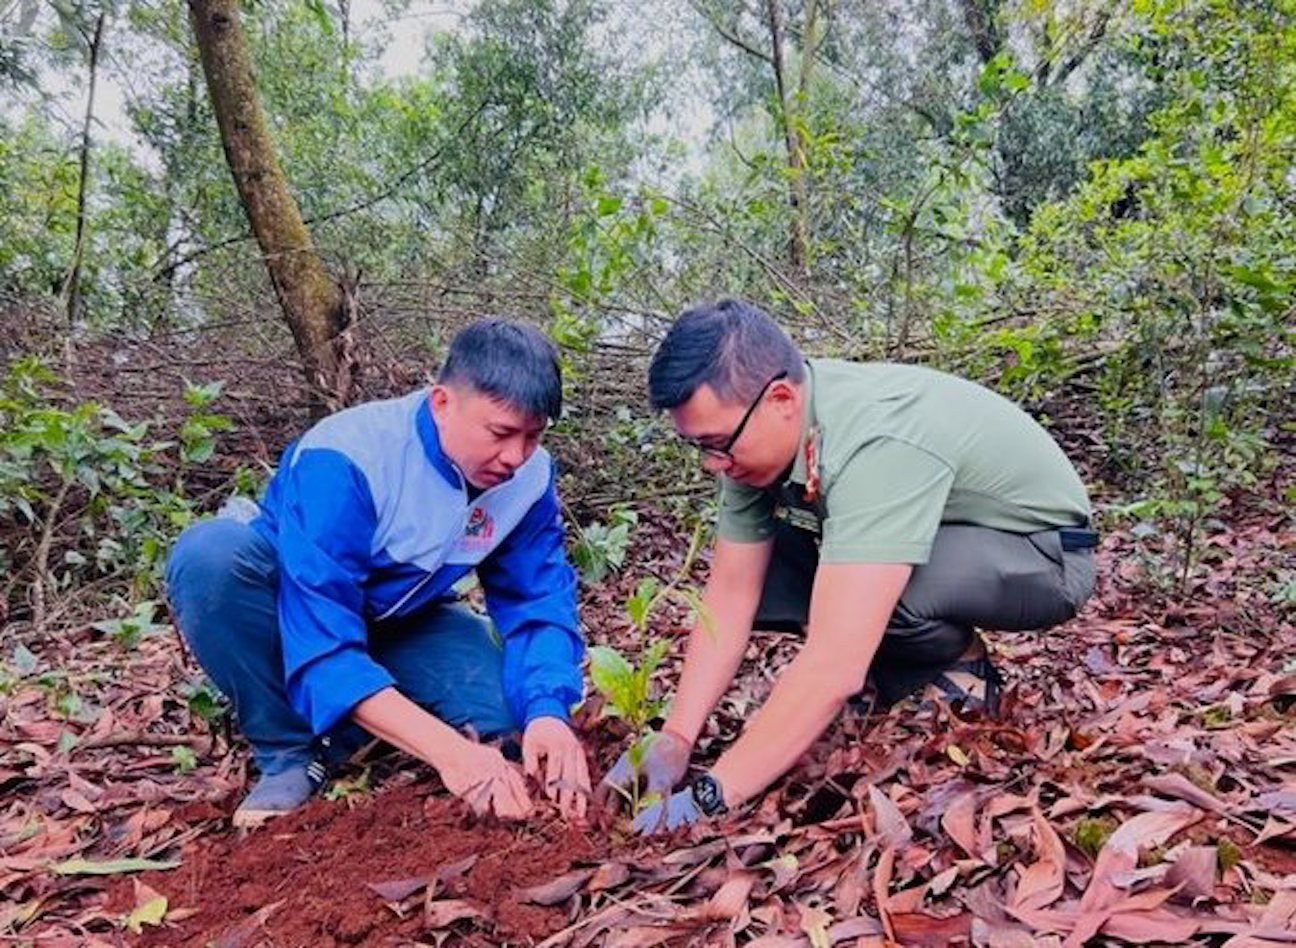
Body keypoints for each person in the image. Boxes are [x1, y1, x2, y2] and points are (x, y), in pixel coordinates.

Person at [601, 299, 1096, 833]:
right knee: (788, 569)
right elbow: (729, 593)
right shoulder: (755, 445)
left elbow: (834, 662)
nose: (711, 464)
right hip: (951, 539)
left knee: (865, 601)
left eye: (718, 444)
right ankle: (890, 677)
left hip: (1042, 555)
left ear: (782, 398)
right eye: (699, 447)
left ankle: (962, 671)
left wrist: (711, 796)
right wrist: (676, 737)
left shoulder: (871, 439)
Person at [167, 319, 590, 827]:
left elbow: (539, 601)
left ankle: (352, 725)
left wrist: (548, 710)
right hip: (293, 607)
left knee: (506, 717)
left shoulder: (530, 479)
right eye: (500, 433)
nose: (515, 457)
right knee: (209, 557)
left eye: (533, 436)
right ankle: (289, 748)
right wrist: (452, 755)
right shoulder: (349, 456)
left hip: (402, 617)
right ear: (441, 403)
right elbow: (322, 637)